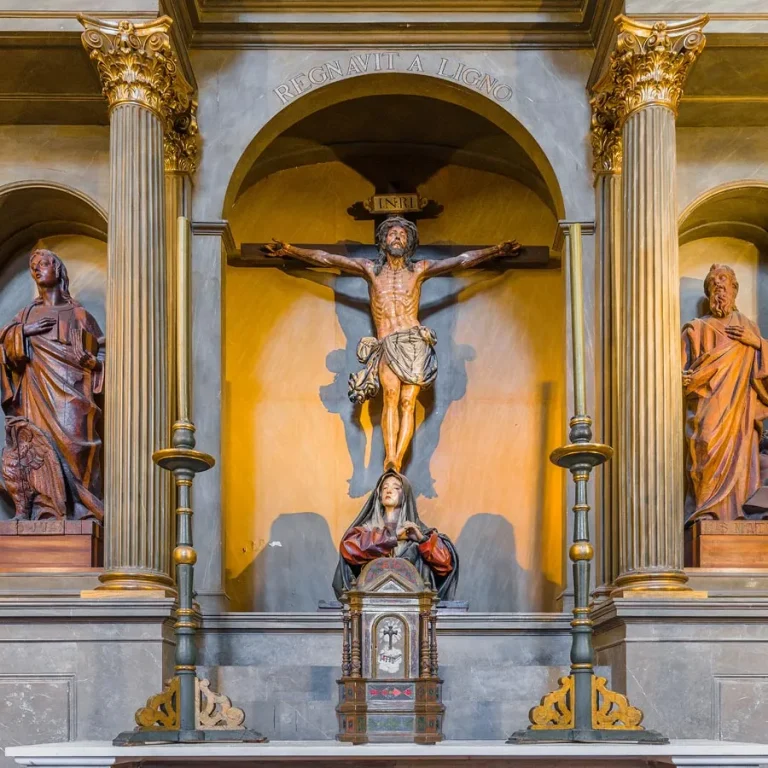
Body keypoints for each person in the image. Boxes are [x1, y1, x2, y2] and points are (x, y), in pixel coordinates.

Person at [265, 216, 519, 472]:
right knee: (390, 396)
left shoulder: (419, 270)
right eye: (391, 233)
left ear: (409, 242)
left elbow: (460, 261)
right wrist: (290, 251)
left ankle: (398, 456)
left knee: (408, 402)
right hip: (387, 341)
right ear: (383, 240)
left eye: (402, 234)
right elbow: (327, 259)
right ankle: (391, 459)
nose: (397, 236)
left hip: (414, 342)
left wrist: (496, 251)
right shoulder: (369, 270)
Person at [0, 249, 105, 521]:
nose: (37, 269)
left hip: (73, 398)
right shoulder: (25, 315)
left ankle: (81, 511)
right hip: (35, 396)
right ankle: (42, 511)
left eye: (43, 264)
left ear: (57, 269)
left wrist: (91, 362)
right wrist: (23, 333)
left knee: (79, 448)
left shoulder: (79, 314)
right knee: (34, 450)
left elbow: (102, 353)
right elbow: (5, 348)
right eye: (33, 266)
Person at [682, 263, 768, 524]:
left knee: (744, 459)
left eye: (724, 280)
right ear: (709, 292)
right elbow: (681, 369)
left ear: (734, 289)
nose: (719, 284)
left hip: (740, 409)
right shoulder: (697, 328)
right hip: (708, 404)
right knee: (705, 442)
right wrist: (682, 377)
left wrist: (757, 344)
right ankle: (705, 510)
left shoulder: (749, 328)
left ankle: (739, 514)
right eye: (713, 282)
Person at [332, 470, 458, 599]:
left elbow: (445, 565)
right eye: (384, 487)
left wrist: (422, 540)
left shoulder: (418, 532)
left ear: (405, 494)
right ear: (379, 495)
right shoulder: (366, 529)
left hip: (413, 602)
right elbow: (348, 549)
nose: (389, 490)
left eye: (396, 487)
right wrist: (392, 536)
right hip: (369, 600)